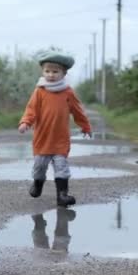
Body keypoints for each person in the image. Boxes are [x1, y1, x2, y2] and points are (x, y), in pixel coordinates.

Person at [18, 51, 92, 207]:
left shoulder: (67, 92)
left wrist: (85, 126)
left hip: (60, 139)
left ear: (64, 73)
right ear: (42, 72)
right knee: (40, 167)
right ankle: (38, 184)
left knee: (61, 167)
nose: (51, 75)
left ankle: (62, 195)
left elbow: (77, 111)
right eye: (47, 71)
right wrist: (25, 122)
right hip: (42, 138)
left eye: (55, 71)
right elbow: (31, 110)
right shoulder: (40, 91)